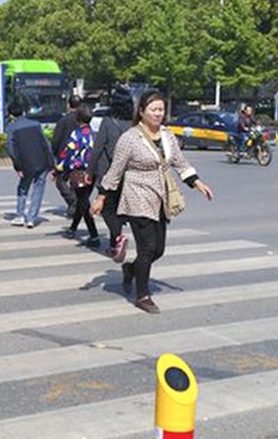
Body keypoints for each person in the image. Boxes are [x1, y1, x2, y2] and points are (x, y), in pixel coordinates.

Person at [91, 89, 214, 314]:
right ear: (141, 111)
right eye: (153, 109)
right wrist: (101, 197)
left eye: (161, 109)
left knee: (158, 250)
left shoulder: (168, 136)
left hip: (160, 197)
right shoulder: (130, 138)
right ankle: (143, 295)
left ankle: (131, 269)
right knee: (147, 248)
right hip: (137, 197)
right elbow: (115, 171)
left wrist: (197, 183)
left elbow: (180, 163)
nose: (158, 114)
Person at [89, 85, 134, 261]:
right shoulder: (135, 124)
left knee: (108, 209)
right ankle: (114, 244)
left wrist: (90, 171)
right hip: (130, 174)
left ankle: (117, 238)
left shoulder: (108, 122)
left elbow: (97, 148)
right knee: (121, 208)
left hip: (109, 173)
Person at [56, 104, 100, 248]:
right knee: (82, 200)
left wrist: (59, 168)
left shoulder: (76, 134)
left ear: (78, 119)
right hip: (93, 172)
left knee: (83, 202)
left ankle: (94, 235)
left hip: (79, 172)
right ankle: (73, 228)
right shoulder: (95, 134)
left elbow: (68, 153)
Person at [6, 102, 53, 228]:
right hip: (42, 162)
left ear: (11, 115)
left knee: (23, 188)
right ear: (23, 112)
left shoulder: (11, 128)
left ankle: (20, 215)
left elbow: (11, 149)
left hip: (26, 164)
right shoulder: (36, 124)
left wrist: (18, 166)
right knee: (38, 189)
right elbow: (45, 144)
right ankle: (31, 218)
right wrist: (51, 162)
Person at [49, 96, 84, 217]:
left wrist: (54, 154)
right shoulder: (84, 120)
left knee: (60, 181)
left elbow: (56, 139)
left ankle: (72, 201)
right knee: (76, 181)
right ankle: (74, 205)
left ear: (69, 105)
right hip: (81, 155)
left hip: (66, 155)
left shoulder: (63, 121)